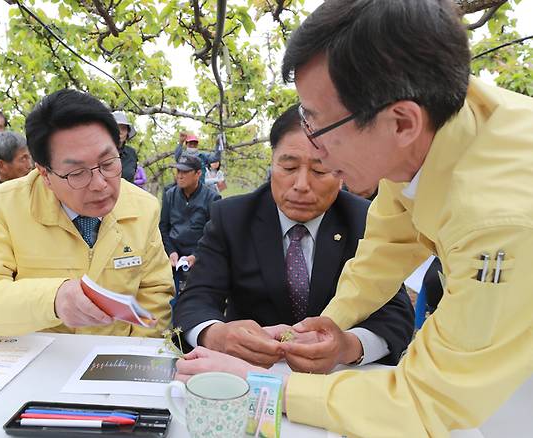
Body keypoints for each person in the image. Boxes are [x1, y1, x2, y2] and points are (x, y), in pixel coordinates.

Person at [175, 0, 533, 436]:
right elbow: (387, 244)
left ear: (401, 123)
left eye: (318, 128)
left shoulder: (497, 220)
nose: (314, 154)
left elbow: (426, 403)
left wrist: (262, 386)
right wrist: (333, 320)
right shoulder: (433, 126)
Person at [174, 105, 413, 371]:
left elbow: (395, 312)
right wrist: (216, 335)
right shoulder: (232, 217)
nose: (301, 184)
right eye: (288, 167)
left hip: (338, 380)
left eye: (320, 171)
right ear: (272, 163)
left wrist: (347, 346)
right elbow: (196, 298)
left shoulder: (367, 220)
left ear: (341, 173)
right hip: (248, 376)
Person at [0, 89, 174, 338]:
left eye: (108, 163)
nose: (99, 183)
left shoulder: (143, 207)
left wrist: (133, 355)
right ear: (44, 174)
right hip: (40, 365)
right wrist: (53, 299)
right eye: (77, 173)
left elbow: (155, 292)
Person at [159, 154, 220, 289]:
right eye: (178, 171)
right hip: (174, 258)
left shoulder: (212, 198)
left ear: (198, 173)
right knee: (169, 301)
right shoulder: (170, 195)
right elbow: (163, 227)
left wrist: (196, 255)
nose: (180, 176)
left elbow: (214, 234)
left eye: (185, 172)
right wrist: (170, 252)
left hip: (200, 257)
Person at [112, 111, 138, 183]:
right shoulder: (100, 151)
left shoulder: (132, 153)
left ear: (127, 132)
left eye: (123, 128)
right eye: (116, 128)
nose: (120, 132)